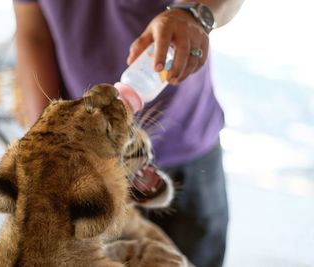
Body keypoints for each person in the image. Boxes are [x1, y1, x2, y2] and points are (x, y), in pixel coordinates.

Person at [12, 1, 244, 266]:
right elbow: (32, 31)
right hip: (91, 166)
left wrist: (196, 15)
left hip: (187, 137)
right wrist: (48, 143)